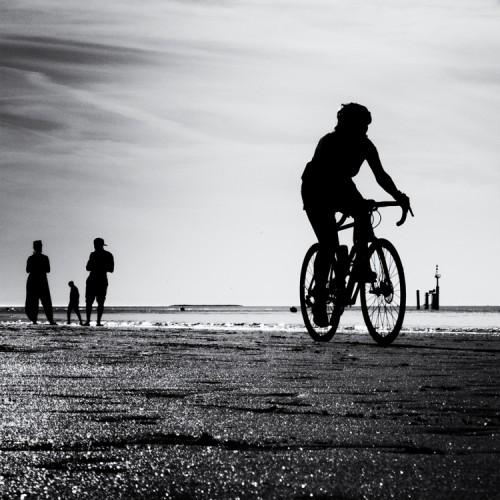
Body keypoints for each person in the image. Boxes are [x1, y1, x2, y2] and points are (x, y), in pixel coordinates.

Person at [301, 103, 410, 326]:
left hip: (341, 186)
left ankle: (360, 264)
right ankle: (320, 300)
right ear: (346, 124)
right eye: (361, 126)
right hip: (316, 188)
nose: (364, 131)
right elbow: (329, 177)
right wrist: (356, 202)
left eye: (366, 127)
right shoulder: (329, 142)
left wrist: (399, 196)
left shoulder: (365, 145)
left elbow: (380, 175)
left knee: (363, 213)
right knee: (329, 242)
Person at [25, 240, 56, 325]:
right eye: (40, 246)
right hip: (41, 280)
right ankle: (50, 320)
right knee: (45, 301)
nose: (41, 247)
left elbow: (28, 270)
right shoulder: (44, 258)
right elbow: (48, 270)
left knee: (35, 301)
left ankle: (36, 320)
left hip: (34, 280)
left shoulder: (31, 258)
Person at [84, 238, 114, 326]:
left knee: (93, 301)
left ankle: (91, 321)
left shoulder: (94, 255)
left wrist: (97, 266)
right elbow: (111, 269)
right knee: (96, 302)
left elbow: (88, 267)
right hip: (99, 280)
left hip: (96, 279)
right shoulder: (106, 255)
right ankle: (95, 321)